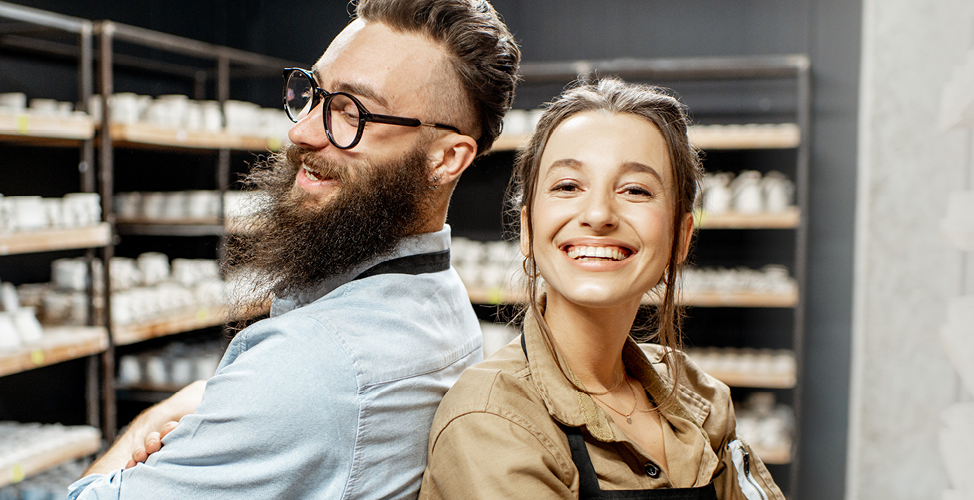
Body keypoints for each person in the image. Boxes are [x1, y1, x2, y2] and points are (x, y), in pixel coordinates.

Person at [67, 1, 519, 499]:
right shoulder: (438, 293)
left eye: (352, 112)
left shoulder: (314, 366)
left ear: (446, 158)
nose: (301, 132)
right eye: (315, 92)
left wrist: (151, 420)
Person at [418, 78, 785, 499]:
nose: (598, 214)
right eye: (568, 186)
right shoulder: (492, 418)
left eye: (635, 190)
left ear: (682, 238)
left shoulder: (699, 399)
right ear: (527, 229)